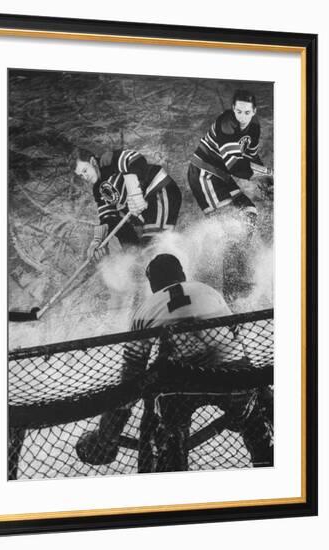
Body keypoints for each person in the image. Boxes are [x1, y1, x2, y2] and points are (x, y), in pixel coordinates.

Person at [76, 254, 273, 471]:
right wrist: (260, 390)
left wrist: (107, 434)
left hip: (180, 386)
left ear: (152, 285)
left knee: (170, 437)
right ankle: (266, 460)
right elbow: (235, 338)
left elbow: (131, 374)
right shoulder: (207, 290)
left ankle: (172, 463)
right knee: (255, 425)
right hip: (231, 378)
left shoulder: (143, 310)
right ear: (182, 274)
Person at [187, 90, 273, 302]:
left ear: (254, 112)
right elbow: (236, 166)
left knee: (249, 212)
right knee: (230, 225)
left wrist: (267, 181)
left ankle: (237, 271)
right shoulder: (226, 124)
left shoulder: (253, 127)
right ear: (232, 109)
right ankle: (231, 286)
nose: (241, 116)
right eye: (237, 111)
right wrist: (269, 173)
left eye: (246, 112)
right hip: (204, 175)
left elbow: (250, 157)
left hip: (221, 176)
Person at [71, 147, 182, 260]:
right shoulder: (98, 190)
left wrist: (134, 191)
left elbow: (135, 159)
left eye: (85, 171)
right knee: (142, 253)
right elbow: (108, 217)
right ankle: (135, 254)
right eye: (81, 175)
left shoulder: (107, 160)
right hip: (146, 209)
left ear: (93, 162)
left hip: (159, 190)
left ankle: (170, 268)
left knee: (153, 245)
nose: (85, 177)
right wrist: (98, 240)